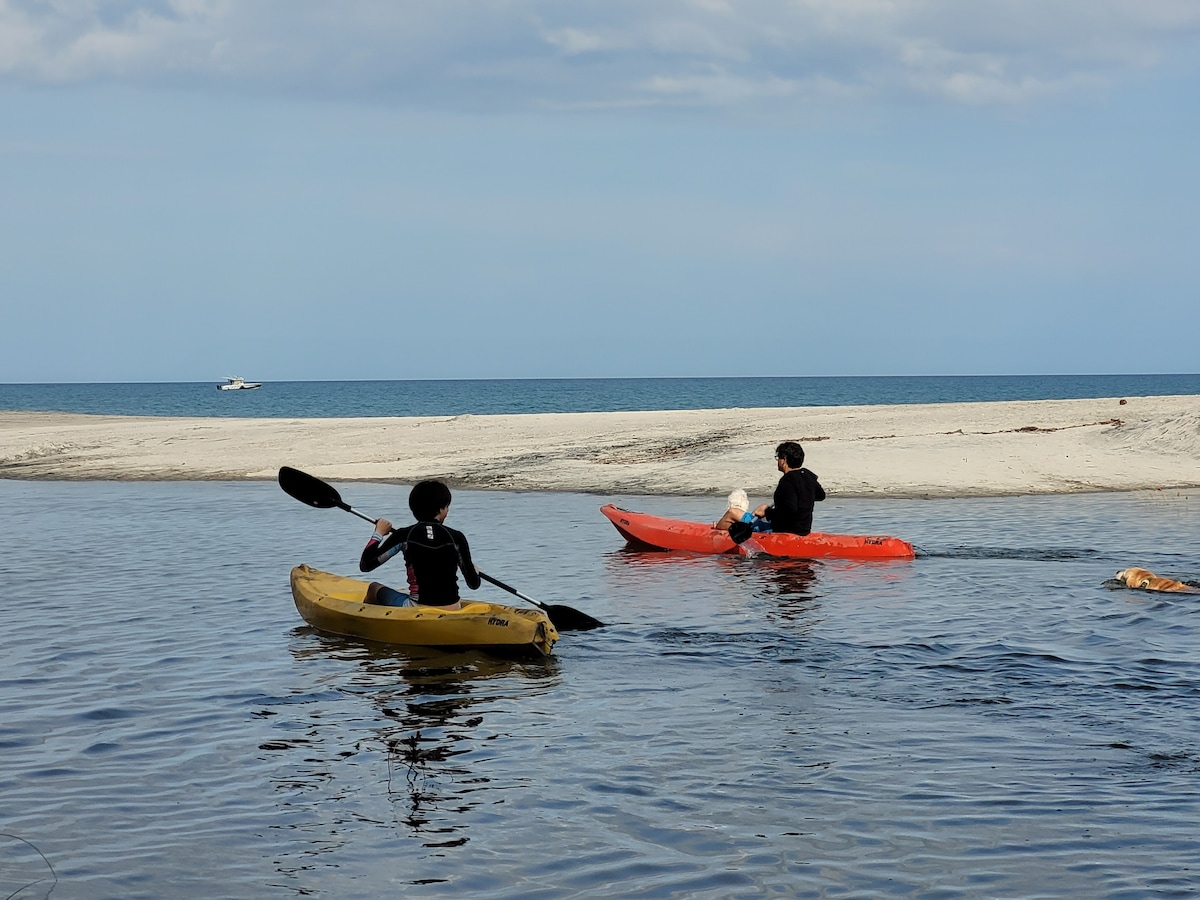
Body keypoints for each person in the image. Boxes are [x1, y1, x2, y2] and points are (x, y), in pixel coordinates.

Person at [358, 480, 481, 609]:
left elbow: (366, 564)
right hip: (454, 607)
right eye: (447, 506)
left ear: (414, 509)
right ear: (441, 510)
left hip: (418, 608)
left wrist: (379, 533)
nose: (447, 510)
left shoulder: (404, 535)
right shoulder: (457, 537)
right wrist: (474, 571)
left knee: (373, 589)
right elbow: (474, 584)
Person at [753, 441, 825, 536]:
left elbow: (788, 510)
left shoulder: (787, 480)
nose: (778, 461)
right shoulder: (808, 475)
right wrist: (803, 496)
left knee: (733, 515)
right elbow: (821, 495)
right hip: (804, 529)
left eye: (778, 458)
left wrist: (766, 512)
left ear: (784, 460)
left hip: (786, 531)